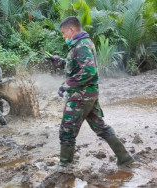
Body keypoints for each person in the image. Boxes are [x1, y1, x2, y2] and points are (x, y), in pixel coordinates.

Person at [50, 16, 134, 168]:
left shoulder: (81, 45)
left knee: (67, 131)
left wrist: (66, 85)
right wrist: (61, 61)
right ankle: (125, 157)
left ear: (71, 30)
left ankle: (64, 165)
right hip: (89, 95)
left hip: (80, 97)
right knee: (100, 127)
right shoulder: (83, 43)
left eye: (64, 33)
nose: (64, 36)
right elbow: (79, 65)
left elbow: (88, 71)